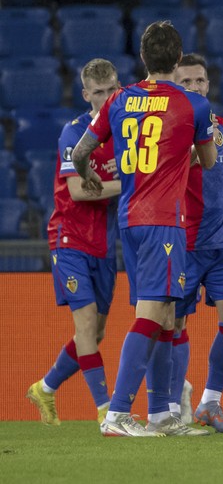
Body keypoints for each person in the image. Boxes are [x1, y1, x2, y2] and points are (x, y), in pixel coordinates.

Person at [72, 21, 216, 437]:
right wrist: (182, 152)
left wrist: (92, 177)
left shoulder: (118, 99)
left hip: (129, 218)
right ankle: (116, 414)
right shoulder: (192, 105)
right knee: (153, 315)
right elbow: (206, 162)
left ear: (143, 58)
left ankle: (160, 415)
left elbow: (82, 151)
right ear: (177, 57)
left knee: (166, 315)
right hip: (162, 220)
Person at [146, 53, 223, 434]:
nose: (195, 87)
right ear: (175, 86)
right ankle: (170, 405)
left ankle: (210, 402)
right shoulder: (164, 130)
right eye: (186, 82)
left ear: (209, 86)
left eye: (200, 81)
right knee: (172, 324)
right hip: (179, 243)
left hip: (222, 244)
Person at [26, 59, 122, 427]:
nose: (105, 98)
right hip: (69, 239)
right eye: (98, 92)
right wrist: (128, 183)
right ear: (86, 95)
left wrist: (117, 181)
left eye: (111, 90)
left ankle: (45, 388)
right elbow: (80, 191)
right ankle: (106, 410)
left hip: (104, 243)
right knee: (85, 327)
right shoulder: (75, 134)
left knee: (95, 333)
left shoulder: (126, 134)